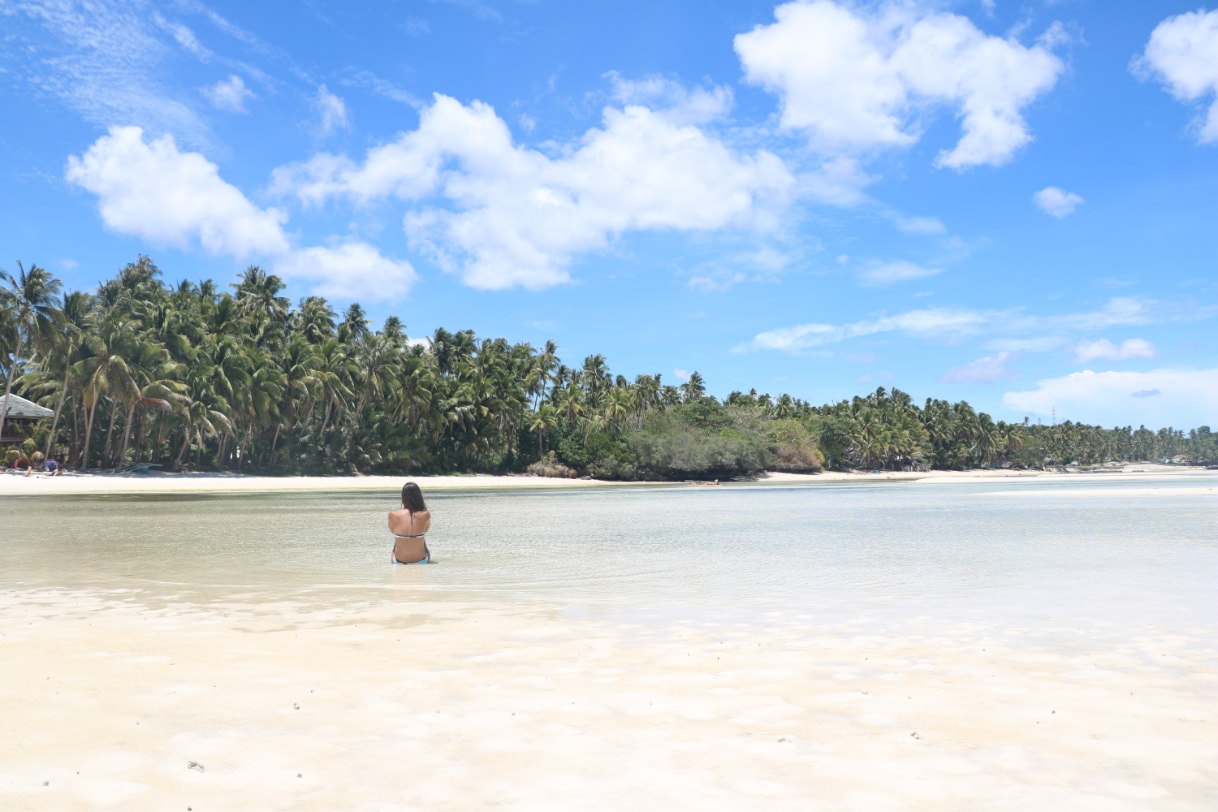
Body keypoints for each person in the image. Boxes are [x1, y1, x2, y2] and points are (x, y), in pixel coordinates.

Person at [388, 481, 432, 564]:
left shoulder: (393, 514)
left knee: (398, 538)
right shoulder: (426, 514)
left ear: (403, 497)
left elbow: (392, 530)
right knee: (421, 537)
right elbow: (425, 530)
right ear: (419, 496)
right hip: (421, 560)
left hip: (399, 560)